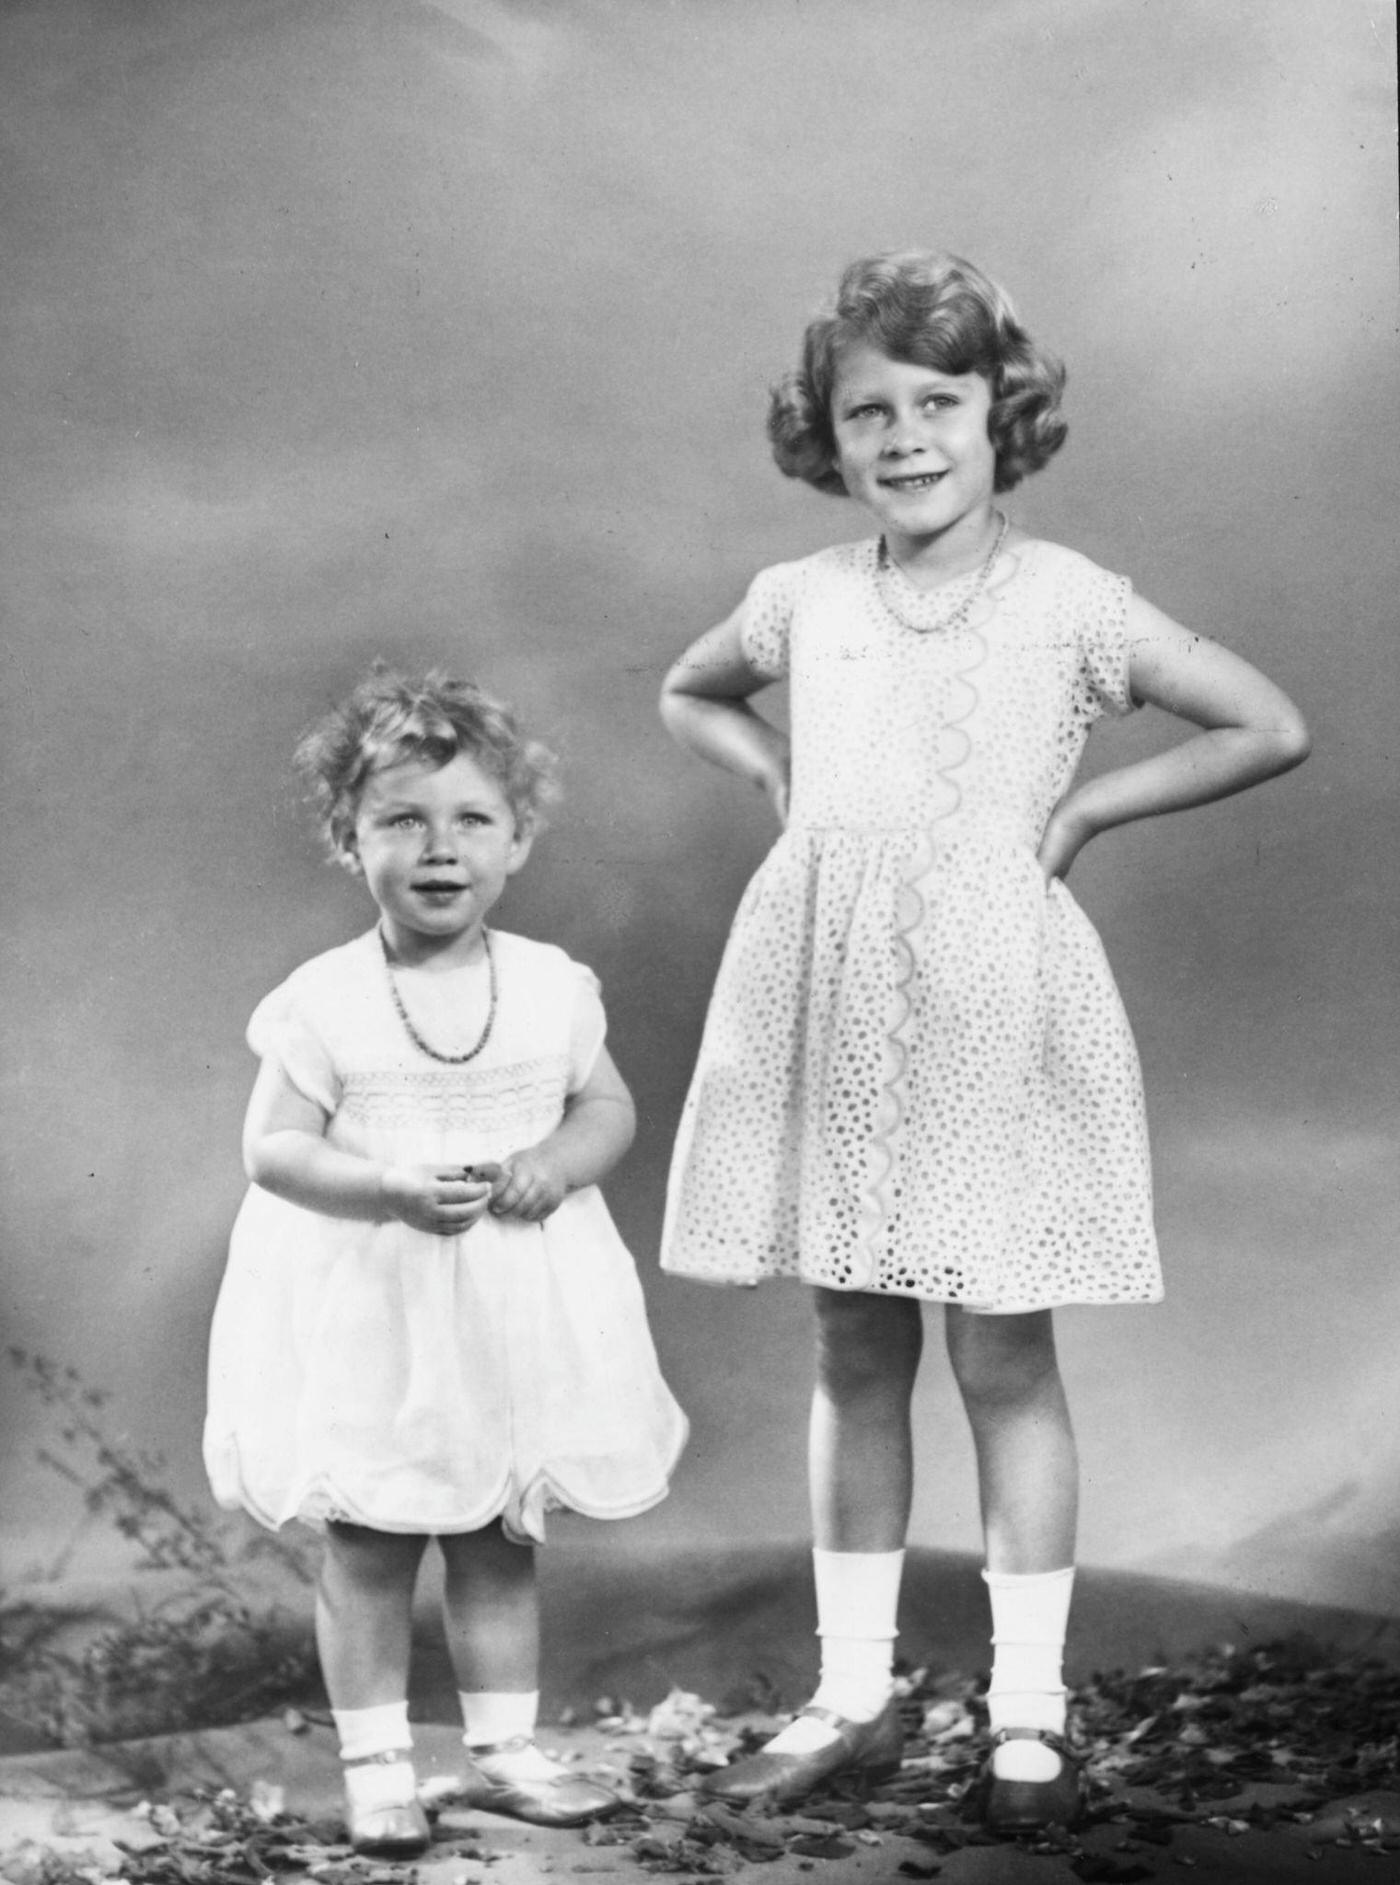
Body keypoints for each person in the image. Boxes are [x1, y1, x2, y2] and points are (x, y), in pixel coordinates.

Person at [658, 251, 1309, 1832]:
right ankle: (853, 1689)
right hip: (832, 996)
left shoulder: (1073, 600)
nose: (903, 437)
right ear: (825, 431)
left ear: (999, 412)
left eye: (937, 402)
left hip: (990, 1008)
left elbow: (1267, 721)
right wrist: (785, 792)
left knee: (1003, 1350)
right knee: (852, 1342)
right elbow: (692, 690)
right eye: (863, 409)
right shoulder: (802, 599)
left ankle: (1027, 1708)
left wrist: (1084, 806)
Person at [205, 667, 687, 1858]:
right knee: (369, 1538)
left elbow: (608, 1106)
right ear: (346, 837)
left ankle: (504, 1750)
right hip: (375, 1303)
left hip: (512, 1302)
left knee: (497, 1532)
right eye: (400, 820)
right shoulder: (324, 1001)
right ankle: (377, 1765)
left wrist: (557, 1164)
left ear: (517, 840)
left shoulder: (550, 984)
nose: (439, 848)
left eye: (471, 819)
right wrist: (385, 1186)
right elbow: (271, 1148)